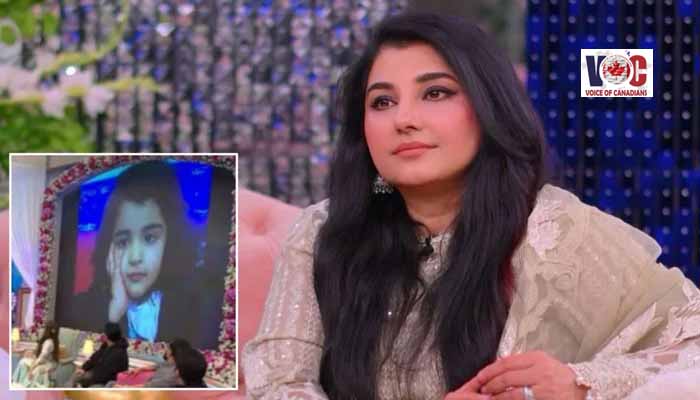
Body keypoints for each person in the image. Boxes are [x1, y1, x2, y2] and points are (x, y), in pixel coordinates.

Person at [241, 11, 700, 400]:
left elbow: (692, 347)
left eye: (435, 93)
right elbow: (279, 384)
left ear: (487, 108)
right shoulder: (324, 230)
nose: (404, 119)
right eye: (382, 101)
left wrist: (579, 383)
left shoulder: (554, 230)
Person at [77, 160, 198, 343]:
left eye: (150, 238)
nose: (135, 258)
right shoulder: (83, 307)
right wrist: (114, 314)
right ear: (108, 247)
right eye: (123, 242)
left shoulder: (197, 307)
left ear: (171, 241)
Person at [114, 338, 191, 388]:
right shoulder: (169, 363)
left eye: (168, 348)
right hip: (148, 387)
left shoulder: (173, 374)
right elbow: (157, 365)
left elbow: (149, 386)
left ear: (172, 351)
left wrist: (125, 388)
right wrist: (140, 369)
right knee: (111, 384)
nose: (165, 349)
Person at [70, 322, 128, 387]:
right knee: (76, 376)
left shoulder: (119, 353)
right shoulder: (106, 346)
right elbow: (93, 359)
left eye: (104, 332)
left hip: (107, 382)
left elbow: (106, 374)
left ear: (108, 335)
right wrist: (83, 368)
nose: (102, 334)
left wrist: (89, 376)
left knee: (90, 385)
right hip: (95, 375)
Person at [12, 321, 60, 387]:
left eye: (45, 328)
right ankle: (17, 382)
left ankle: (25, 386)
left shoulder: (49, 343)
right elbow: (39, 355)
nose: (43, 330)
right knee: (23, 361)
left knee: (35, 370)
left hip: (48, 364)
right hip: (42, 361)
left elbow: (41, 358)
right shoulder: (47, 340)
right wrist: (33, 355)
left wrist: (31, 369)